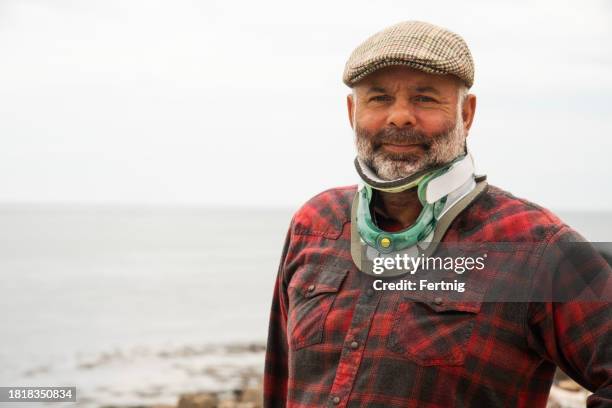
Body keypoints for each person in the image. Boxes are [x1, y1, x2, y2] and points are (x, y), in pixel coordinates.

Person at [263, 21, 612, 407]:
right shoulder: (315, 223)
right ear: (352, 111)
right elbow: (279, 385)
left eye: (425, 98)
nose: (399, 117)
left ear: (467, 114)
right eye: (378, 98)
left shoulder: (534, 246)